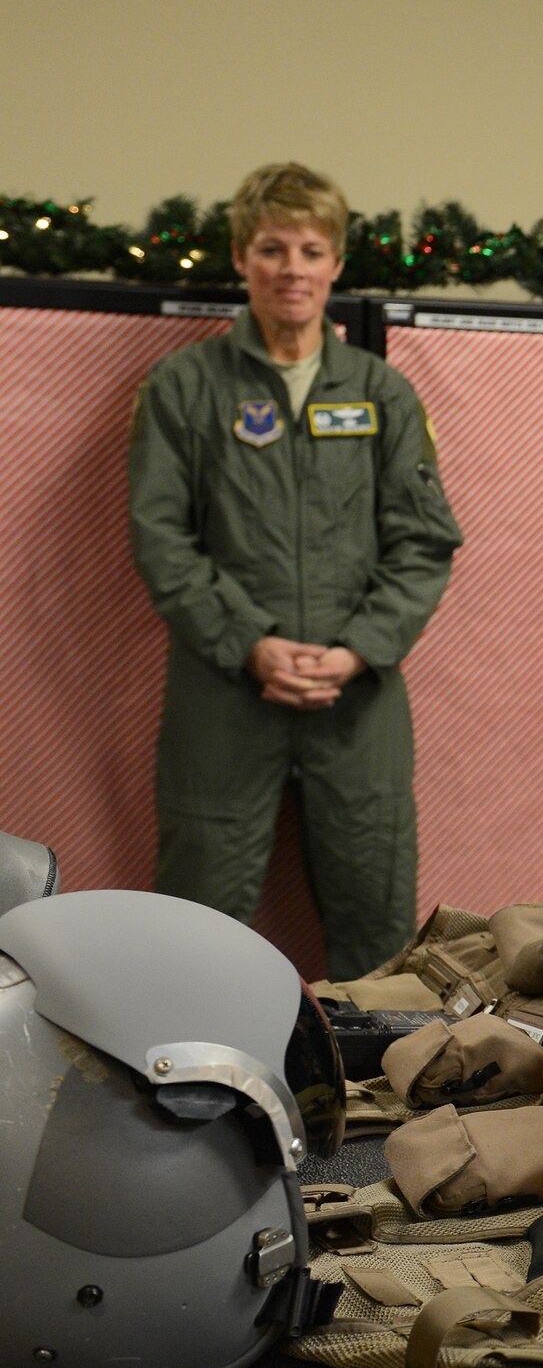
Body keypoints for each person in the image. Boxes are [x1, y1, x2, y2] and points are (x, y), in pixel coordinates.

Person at [129, 162, 463, 979]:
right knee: (194, 926)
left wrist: (356, 650)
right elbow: (160, 535)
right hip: (225, 690)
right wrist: (251, 643)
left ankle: (374, 1101)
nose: (292, 269)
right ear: (242, 258)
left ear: (336, 263)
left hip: (358, 698)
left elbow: (424, 541)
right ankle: (191, 1101)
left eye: (311, 250)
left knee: (379, 933)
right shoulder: (183, 388)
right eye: (272, 249)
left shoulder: (382, 393)